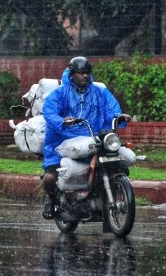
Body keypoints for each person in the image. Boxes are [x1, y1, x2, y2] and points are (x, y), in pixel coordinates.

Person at [41, 56, 129, 219]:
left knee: (118, 162)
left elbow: (111, 110)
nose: (85, 76)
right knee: (49, 178)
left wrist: (119, 117)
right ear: (72, 74)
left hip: (93, 139)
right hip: (60, 141)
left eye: (87, 73)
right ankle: (51, 198)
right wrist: (62, 122)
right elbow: (49, 111)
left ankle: (103, 194)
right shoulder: (60, 94)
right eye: (81, 73)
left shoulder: (99, 92)